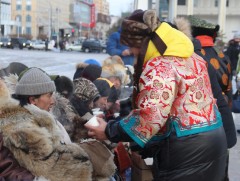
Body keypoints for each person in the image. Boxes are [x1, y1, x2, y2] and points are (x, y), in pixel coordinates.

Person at [85, 9, 228, 181]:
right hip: (215, 141)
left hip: (186, 152)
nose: (131, 52)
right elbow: (173, 107)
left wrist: (108, 130)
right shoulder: (191, 57)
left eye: (132, 46)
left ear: (141, 43)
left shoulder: (160, 66)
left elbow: (151, 119)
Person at [0, 68, 115, 180]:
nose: (53, 101)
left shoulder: (43, 118)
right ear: (33, 100)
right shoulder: (23, 128)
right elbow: (49, 166)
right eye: (49, 95)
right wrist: (86, 157)